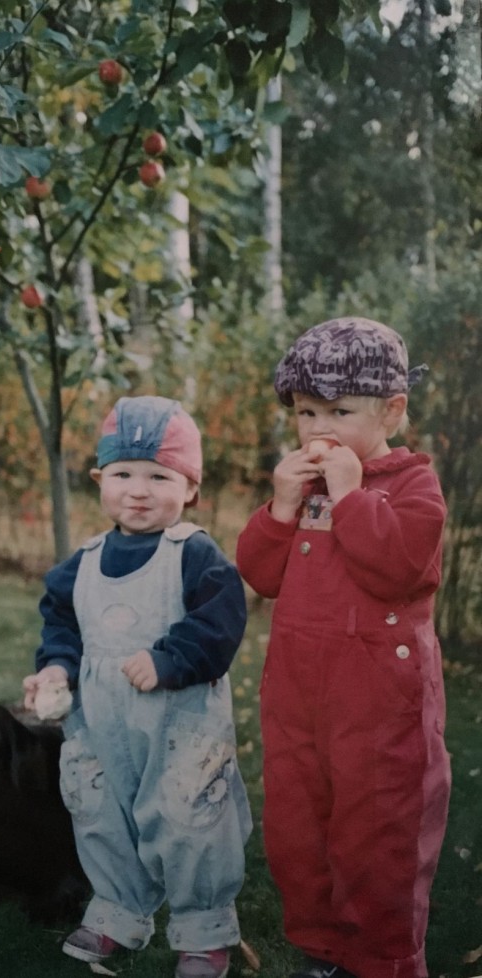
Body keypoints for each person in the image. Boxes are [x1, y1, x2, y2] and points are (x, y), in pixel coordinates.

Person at [236, 318, 451, 978]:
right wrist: (279, 508)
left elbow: (398, 567)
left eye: (340, 411)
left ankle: (383, 957)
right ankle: (323, 949)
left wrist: (353, 494)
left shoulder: (413, 485)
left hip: (378, 708)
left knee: (377, 834)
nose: (318, 429)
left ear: (391, 409)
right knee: (300, 829)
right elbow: (260, 574)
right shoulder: (303, 492)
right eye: (305, 412)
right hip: (299, 696)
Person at [23, 395, 252, 978]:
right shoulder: (85, 561)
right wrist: (55, 669)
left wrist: (172, 658)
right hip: (99, 724)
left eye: (159, 476)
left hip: (177, 723)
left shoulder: (194, 555)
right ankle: (118, 913)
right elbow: (62, 623)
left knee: (187, 817)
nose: (139, 490)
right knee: (100, 812)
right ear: (101, 480)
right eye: (123, 474)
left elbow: (220, 623)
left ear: (190, 489)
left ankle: (203, 930)